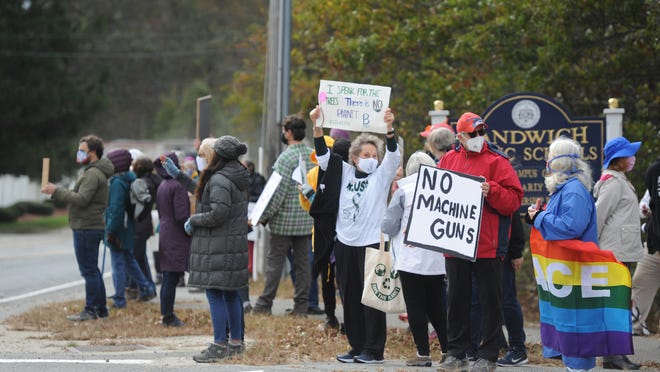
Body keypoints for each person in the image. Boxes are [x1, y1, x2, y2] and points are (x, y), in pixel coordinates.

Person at [310, 104, 401, 364]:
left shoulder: (381, 176)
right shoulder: (345, 172)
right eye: (366, 154)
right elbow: (322, 156)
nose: (371, 157)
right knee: (349, 295)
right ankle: (357, 345)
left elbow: (393, 157)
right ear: (355, 157)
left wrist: (389, 129)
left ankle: (374, 349)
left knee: (370, 298)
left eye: (374, 154)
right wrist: (317, 126)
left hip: (371, 243)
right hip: (345, 243)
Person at [437, 112, 523, 372]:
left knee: (490, 302)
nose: (478, 138)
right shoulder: (448, 160)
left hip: (488, 244)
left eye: (481, 132)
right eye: (472, 134)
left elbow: (514, 199)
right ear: (460, 137)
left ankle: (488, 355)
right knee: (457, 300)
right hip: (456, 242)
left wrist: (493, 190)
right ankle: (456, 353)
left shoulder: (497, 161)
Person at [161, 136, 250, 362]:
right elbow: (205, 192)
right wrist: (179, 175)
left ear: (215, 155)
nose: (199, 159)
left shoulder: (220, 178)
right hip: (229, 245)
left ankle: (220, 344)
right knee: (230, 294)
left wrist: (195, 220)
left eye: (202, 155)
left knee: (215, 293)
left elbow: (218, 212)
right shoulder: (233, 174)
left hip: (218, 246)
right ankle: (236, 343)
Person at [526, 136, 598, 371]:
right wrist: (540, 215)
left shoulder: (574, 191)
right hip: (566, 270)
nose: (546, 160)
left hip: (575, 270)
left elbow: (571, 227)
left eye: (549, 156)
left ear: (558, 161)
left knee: (576, 326)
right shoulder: (565, 189)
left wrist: (540, 217)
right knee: (567, 325)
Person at [381, 151, 448, 367]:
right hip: (437, 260)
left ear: (409, 171)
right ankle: (449, 351)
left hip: (410, 260)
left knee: (416, 306)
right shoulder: (443, 191)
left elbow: (389, 226)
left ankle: (422, 353)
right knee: (437, 306)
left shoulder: (404, 191)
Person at [41, 134, 114, 321]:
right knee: (93, 270)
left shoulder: (92, 174)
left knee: (88, 271)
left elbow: (81, 199)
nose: (79, 153)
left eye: (82, 150)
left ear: (93, 153)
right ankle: (100, 309)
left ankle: (91, 310)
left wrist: (56, 191)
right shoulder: (93, 172)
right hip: (89, 225)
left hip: (86, 226)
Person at [252, 115, 314, 317]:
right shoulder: (313, 155)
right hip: (306, 219)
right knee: (303, 264)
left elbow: (276, 194)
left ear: (288, 133)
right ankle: (301, 306)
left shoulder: (285, 158)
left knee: (275, 263)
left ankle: (264, 303)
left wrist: (262, 216)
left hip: (283, 222)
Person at [593, 136, 643, 369]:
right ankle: (613, 356)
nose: (632, 159)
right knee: (616, 304)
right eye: (628, 155)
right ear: (619, 160)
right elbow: (599, 216)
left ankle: (616, 355)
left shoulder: (620, 180)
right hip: (615, 252)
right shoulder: (613, 183)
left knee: (620, 304)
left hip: (622, 250)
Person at [299, 136, 351, 328]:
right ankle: (350, 319)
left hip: (323, 236)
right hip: (348, 237)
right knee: (347, 280)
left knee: (327, 278)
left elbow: (309, 206)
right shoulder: (356, 174)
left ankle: (331, 317)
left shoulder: (315, 173)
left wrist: (308, 196)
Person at [104, 149, 157, 309]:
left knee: (118, 264)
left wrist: (111, 231)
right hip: (129, 227)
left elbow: (116, 209)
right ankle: (147, 288)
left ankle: (120, 298)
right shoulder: (130, 179)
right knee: (129, 260)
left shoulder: (117, 183)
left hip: (119, 229)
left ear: (116, 165)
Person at [153, 152, 191, 327]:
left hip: (166, 232)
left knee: (168, 275)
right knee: (171, 277)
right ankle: (168, 316)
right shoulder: (178, 185)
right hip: (176, 234)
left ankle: (166, 313)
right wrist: (192, 227)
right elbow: (182, 215)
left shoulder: (163, 185)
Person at [632, 156, 660, 337]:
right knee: (640, 282)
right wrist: (645, 214)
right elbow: (647, 203)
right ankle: (632, 328)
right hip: (654, 247)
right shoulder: (655, 170)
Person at [126, 156, 160, 300]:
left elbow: (141, 205)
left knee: (136, 259)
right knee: (140, 258)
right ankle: (141, 288)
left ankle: (146, 289)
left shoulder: (143, 183)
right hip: (144, 225)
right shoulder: (152, 181)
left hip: (140, 225)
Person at [239, 159, 266, 312]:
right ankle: (243, 302)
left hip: (244, 224)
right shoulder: (239, 182)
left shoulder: (255, 180)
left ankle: (244, 302)